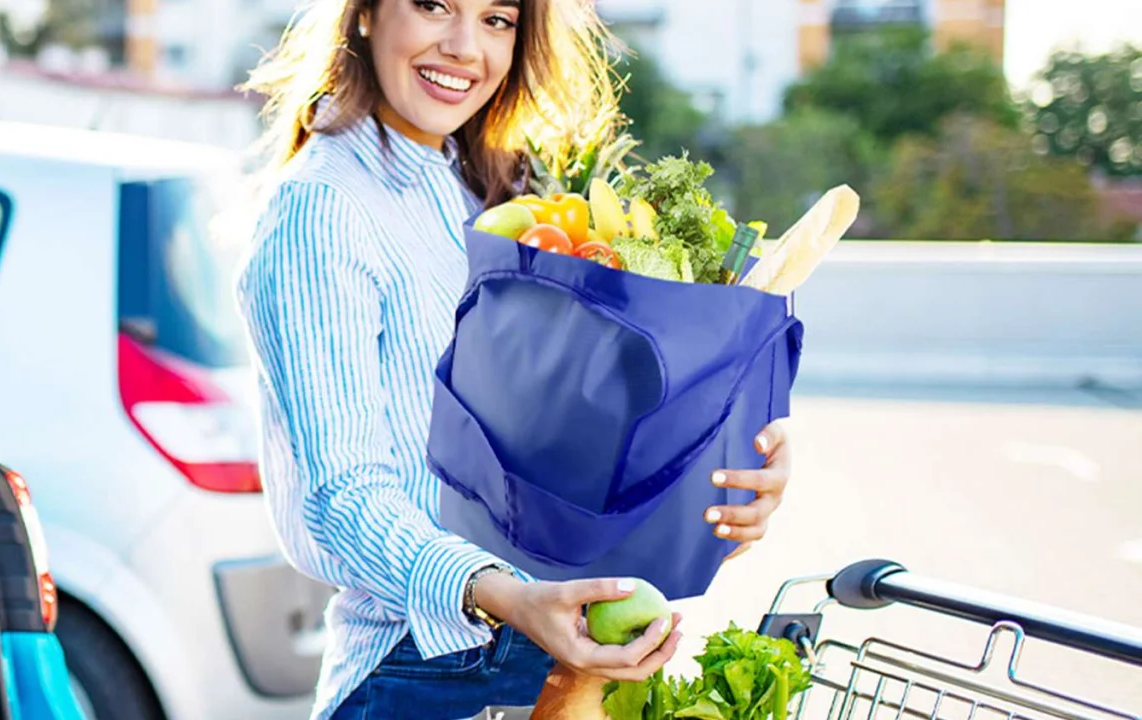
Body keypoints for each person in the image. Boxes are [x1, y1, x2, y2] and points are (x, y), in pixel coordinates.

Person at [232, 1, 795, 718]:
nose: (465, 46)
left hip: (555, 660)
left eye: (498, 18)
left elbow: (567, 457)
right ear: (367, 13)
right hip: (426, 674)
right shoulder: (323, 209)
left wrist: (723, 490)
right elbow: (343, 497)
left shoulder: (491, 195)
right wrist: (510, 596)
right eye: (434, 5)